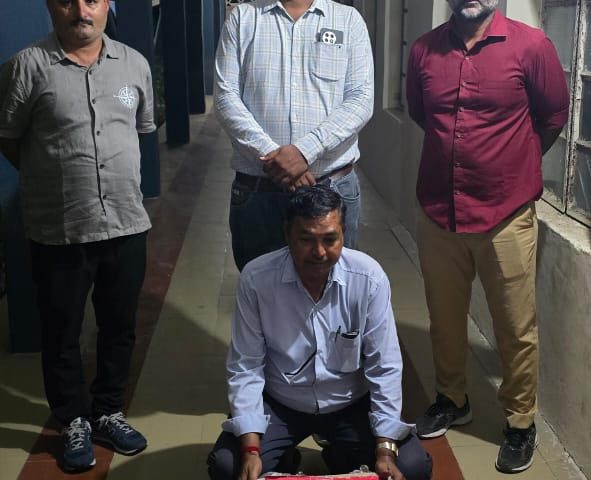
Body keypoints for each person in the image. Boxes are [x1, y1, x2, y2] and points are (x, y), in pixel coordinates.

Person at [406, 0, 569, 474]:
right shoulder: (423, 51)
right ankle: (452, 398)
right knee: (444, 316)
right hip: (440, 211)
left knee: (515, 327)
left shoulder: (532, 46)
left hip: (506, 214)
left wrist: (512, 162)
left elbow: (553, 116)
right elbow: (422, 114)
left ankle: (520, 422)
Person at [0, 0, 155, 472]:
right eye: (68, 0)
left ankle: (107, 410)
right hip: (61, 230)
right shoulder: (26, 67)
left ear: (106, 5)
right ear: (52, 6)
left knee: (119, 327)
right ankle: (72, 420)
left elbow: (139, 130)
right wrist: (54, 175)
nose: (81, 11)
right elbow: (8, 137)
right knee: (61, 332)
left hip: (126, 224)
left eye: (92, 0)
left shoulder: (135, 64)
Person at [207, 185, 432, 480]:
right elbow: (246, 366)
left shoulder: (368, 277)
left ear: (343, 234)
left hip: (350, 403)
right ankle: (285, 458)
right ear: (287, 234)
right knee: (227, 467)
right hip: (281, 403)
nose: (319, 252)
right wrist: (250, 450)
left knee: (412, 468)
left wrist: (385, 450)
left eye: (330, 239)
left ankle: (340, 454)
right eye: (306, 239)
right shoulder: (257, 279)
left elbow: (385, 366)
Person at [214, 0, 374, 270]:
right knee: (262, 286)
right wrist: (276, 158)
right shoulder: (243, 19)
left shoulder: (348, 20)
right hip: (259, 193)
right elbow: (225, 98)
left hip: (332, 188)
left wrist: (303, 152)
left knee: (333, 288)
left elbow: (361, 99)